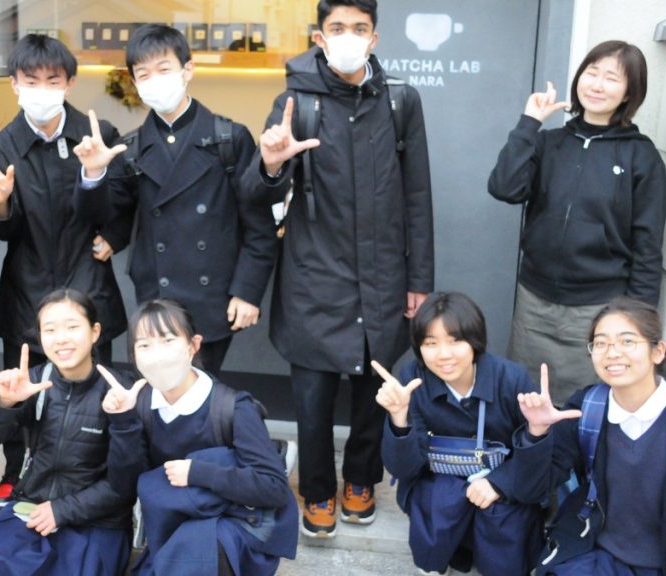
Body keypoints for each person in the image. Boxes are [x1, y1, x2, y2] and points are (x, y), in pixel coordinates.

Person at [240, 0, 434, 537]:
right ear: (319, 38)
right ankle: (318, 489)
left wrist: (419, 279)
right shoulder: (294, 101)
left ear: (374, 38)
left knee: (375, 389)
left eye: (359, 28)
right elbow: (255, 193)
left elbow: (417, 195)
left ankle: (361, 481)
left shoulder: (400, 100)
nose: (349, 36)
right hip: (314, 274)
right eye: (337, 28)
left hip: (383, 273)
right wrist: (271, 162)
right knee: (313, 397)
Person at [72, 24, 276, 376]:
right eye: (143, 74)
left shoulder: (229, 138)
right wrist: (93, 173)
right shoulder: (132, 148)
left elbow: (258, 224)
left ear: (188, 70)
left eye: (163, 69)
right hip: (156, 295)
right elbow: (104, 214)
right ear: (134, 82)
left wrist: (247, 291)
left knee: (202, 390)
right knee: (158, 389)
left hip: (214, 297)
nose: (154, 80)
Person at [0, 33, 128, 508]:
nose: (42, 90)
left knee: (91, 385)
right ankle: (17, 469)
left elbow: (121, 205)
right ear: (14, 84)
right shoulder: (2, 144)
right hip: (28, 285)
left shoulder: (96, 133)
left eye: (53, 80)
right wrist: (0, 206)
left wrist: (97, 183)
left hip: (87, 279)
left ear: (69, 83)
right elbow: (6, 232)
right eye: (31, 80)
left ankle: (94, 473)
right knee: (22, 383)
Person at [488, 40, 666, 405]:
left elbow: (647, 247)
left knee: (587, 405)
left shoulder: (641, 155)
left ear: (629, 92)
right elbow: (504, 187)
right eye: (592, 73)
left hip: (598, 308)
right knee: (526, 399)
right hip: (534, 300)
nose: (597, 85)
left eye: (611, 78)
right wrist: (529, 123)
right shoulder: (549, 143)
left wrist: (637, 321)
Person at [512, 297, 666, 575]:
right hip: (596, 556)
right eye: (601, 343)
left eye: (627, 341)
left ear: (658, 352)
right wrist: (537, 434)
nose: (612, 352)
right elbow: (530, 490)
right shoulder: (586, 408)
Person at [100, 299, 297, 576]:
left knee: (197, 548)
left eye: (168, 340)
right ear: (134, 356)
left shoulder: (232, 407)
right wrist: (123, 422)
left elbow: (273, 487)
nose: (157, 355)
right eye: (144, 345)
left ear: (193, 345)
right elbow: (126, 487)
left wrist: (198, 473)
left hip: (235, 524)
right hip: (175, 522)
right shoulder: (141, 404)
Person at [0, 289, 133, 575]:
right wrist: (5, 403)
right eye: (50, 330)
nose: (61, 339)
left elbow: (125, 483)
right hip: (34, 505)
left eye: (72, 327)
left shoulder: (119, 391)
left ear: (95, 332)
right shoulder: (35, 382)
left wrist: (62, 510)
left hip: (98, 519)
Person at [376, 292, 542, 576]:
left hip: (502, 481)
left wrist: (500, 483)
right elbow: (403, 469)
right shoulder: (412, 380)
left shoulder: (511, 378)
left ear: (475, 341)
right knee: (442, 499)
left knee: (503, 518)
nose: (444, 354)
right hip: (439, 481)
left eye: (455, 340)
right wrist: (399, 418)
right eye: (431, 343)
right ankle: (436, 560)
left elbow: (538, 462)